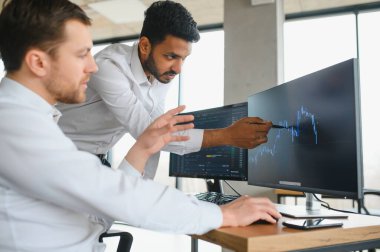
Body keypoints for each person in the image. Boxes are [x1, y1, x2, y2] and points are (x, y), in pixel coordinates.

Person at [0, 0, 281, 251]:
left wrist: (143, 149)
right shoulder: (16, 123)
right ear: (38, 62)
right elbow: (110, 194)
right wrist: (222, 214)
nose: (92, 66)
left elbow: (103, 205)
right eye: (81, 54)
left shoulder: (32, 118)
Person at [56, 0, 273, 177]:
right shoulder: (109, 67)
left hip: (93, 162)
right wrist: (226, 136)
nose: (178, 68)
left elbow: (155, 133)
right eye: (171, 56)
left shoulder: (159, 75)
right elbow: (148, 132)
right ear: (145, 46)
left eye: (184, 58)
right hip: (60, 159)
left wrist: (146, 191)